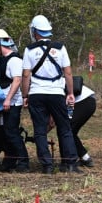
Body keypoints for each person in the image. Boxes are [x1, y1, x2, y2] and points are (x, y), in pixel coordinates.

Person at [21, 15, 81, 174]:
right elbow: (67, 73)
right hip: (56, 93)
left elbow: (26, 75)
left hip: (37, 93)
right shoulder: (60, 48)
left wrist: (25, 96)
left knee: (40, 130)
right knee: (64, 128)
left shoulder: (29, 50)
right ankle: (70, 164)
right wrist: (70, 93)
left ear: (35, 31)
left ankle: (47, 165)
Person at [0, 29, 30, 173]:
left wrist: (7, 99)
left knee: (12, 132)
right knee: (5, 133)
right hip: (3, 104)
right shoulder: (1, 61)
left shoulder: (14, 60)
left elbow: (17, 80)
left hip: (12, 103)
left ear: (0, 45)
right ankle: (9, 162)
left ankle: (24, 161)